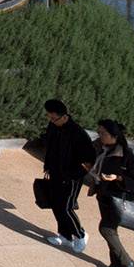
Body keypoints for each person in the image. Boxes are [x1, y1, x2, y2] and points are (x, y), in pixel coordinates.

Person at [89, 118, 134, 267]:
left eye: (103, 133)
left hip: (119, 199)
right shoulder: (100, 148)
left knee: (106, 229)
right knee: (111, 231)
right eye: (98, 132)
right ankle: (115, 264)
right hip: (104, 195)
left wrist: (118, 178)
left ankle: (127, 262)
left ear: (114, 136)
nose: (99, 135)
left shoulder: (126, 155)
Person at [41, 98, 96, 252]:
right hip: (55, 172)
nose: (51, 121)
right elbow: (50, 148)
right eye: (49, 117)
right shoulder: (53, 126)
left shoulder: (78, 134)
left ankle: (80, 234)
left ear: (64, 117)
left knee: (66, 207)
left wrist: (74, 175)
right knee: (56, 205)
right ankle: (65, 235)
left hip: (71, 177)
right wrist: (48, 166)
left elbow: (89, 159)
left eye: (54, 118)